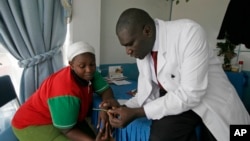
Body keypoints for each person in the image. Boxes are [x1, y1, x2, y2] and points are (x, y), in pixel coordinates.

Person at [106, 8, 250, 141]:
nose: (128, 51)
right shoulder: (143, 52)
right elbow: (146, 93)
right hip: (181, 104)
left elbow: (191, 94)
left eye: (130, 44)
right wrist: (121, 107)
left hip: (210, 101)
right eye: (125, 46)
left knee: (230, 134)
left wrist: (137, 113)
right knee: (161, 137)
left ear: (147, 31)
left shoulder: (189, 33)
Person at [11, 41, 119, 141]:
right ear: (71, 65)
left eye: (92, 64)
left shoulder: (89, 73)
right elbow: (67, 130)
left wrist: (104, 107)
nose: (89, 69)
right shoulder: (65, 92)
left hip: (61, 119)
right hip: (32, 124)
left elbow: (106, 90)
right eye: (82, 66)